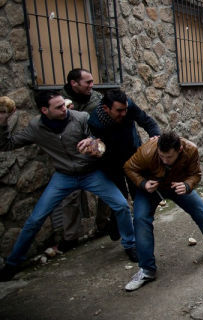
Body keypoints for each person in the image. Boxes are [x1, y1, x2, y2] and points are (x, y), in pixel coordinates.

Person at [0, 91, 137, 281]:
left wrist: (93, 143)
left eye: (63, 104)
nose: (64, 109)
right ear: (44, 110)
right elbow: (6, 145)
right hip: (64, 176)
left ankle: (130, 245)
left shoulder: (80, 118)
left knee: (121, 205)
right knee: (35, 220)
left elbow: (98, 141)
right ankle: (13, 264)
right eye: (58, 107)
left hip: (91, 173)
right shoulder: (35, 127)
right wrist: (3, 121)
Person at [122, 131, 203, 291]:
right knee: (140, 221)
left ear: (180, 150)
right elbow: (129, 167)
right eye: (161, 156)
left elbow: (195, 174)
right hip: (150, 189)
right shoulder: (147, 151)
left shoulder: (191, 150)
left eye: (169, 157)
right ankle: (147, 270)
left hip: (177, 186)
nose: (165, 160)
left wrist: (187, 185)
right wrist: (143, 183)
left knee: (201, 213)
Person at [58, 68, 110, 252]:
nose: (92, 85)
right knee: (70, 197)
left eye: (92, 81)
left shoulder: (97, 99)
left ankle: (103, 225)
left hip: (94, 155)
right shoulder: (58, 101)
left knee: (106, 191)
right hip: (70, 158)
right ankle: (70, 237)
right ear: (74, 83)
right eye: (87, 82)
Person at [88, 88, 160, 209]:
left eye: (125, 109)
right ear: (106, 108)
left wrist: (155, 136)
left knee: (140, 193)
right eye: (119, 111)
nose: (124, 113)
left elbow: (148, 122)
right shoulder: (94, 123)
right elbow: (99, 151)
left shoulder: (128, 105)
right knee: (120, 199)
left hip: (133, 154)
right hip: (111, 162)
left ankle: (142, 223)